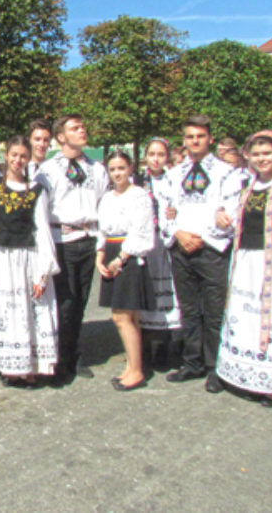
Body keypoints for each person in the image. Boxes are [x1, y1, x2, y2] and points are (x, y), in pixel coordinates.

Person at [215, 130, 272, 407]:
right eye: (256, 154)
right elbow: (234, 224)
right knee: (249, 323)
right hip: (247, 267)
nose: (261, 158)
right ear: (248, 157)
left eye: (267, 153)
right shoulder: (248, 186)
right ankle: (252, 377)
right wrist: (222, 218)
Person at [157, 115, 242, 393]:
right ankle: (192, 362)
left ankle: (216, 366)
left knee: (214, 311)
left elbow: (229, 213)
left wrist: (202, 237)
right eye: (190, 136)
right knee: (190, 309)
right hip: (182, 249)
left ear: (210, 139)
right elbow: (166, 210)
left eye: (200, 136)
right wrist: (178, 233)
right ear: (184, 140)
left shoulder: (227, 173)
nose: (195, 141)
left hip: (211, 250)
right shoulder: (175, 174)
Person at [38, 114, 109, 385]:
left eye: (83, 126)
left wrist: (100, 242)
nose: (82, 130)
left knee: (81, 302)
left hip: (88, 239)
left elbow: (103, 204)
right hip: (62, 240)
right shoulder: (48, 170)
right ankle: (58, 359)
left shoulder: (97, 169)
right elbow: (42, 210)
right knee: (64, 303)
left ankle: (74, 354)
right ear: (60, 137)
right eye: (75, 128)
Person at [0, 136, 59, 386]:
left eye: (23, 156)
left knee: (29, 311)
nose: (18, 160)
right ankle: (9, 367)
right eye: (14, 155)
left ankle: (30, 367)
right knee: (7, 312)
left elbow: (42, 230)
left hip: (27, 257)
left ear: (29, 159)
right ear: (6, 155)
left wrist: (43, 272)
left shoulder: (37, 191)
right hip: (2, 259)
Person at [96, 151, 156, 391]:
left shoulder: (139, 196)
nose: (117, 173)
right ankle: (132, 364)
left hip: (128, 255)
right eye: (113, 169)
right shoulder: (107, 198)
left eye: (121, 168)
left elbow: (141, 231)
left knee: (123, 316)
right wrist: (100, 256)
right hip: (111, 251)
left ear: (130, 168)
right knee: (126, 316)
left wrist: (120, 258)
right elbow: (102, 230)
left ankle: (137, 370)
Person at [134, 138, 182, 371]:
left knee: (166, 295)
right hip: (145, 243)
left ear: (167, 157)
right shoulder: (138, 180)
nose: (155, 158)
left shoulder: (174, 180)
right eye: (151, 154)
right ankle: (143, 349)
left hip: (166, 243)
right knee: (145, 294)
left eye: (161, 154)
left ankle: (165, 346)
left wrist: (174, 214)